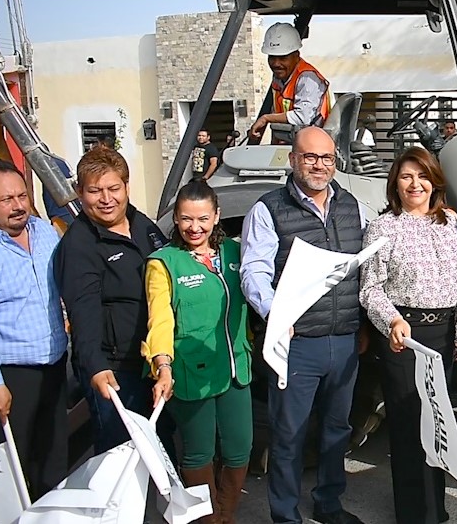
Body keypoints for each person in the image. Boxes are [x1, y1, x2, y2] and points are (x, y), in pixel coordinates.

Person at [241, 125, 365, 524]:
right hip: (297, 345)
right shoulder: (268, 209)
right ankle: (284, 513)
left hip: (344, 339)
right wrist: (277, 314)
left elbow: (366, 267)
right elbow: (254, 271)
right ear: (292, 160)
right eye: (310, 157)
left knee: (336, 430)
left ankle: (329, 504)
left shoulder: (353, 206)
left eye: (327, 158)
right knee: (289, 434)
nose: (319, 165)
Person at [358, 147, 457, 524]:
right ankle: (413, 514)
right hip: (404, 336)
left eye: (422, 176)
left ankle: (433, 509)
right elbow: (370, 289)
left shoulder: (449, 222)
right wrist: (391, 321)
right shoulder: (382, 227)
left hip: (443, 336)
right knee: (409, 425)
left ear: (434, 181)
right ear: (395, 183)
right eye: (406, 176)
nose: (415, 184)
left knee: (437, 421)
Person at [142, 181, 252, 524]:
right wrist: (162, 364)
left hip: (236, 369)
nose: (195, 227)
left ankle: (226, 515)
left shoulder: (236, 253)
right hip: (190, 371)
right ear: (175, 219)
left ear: (217, 216)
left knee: (239, 450)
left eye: (203, 218)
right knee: (198, 454)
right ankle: (206, 520)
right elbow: (159, 319)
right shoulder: (164, 263)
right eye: (187, 219)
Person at [56, 147, 169, 455]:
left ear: (126, 187)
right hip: (116, 372)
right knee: (121, 456)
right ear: (80, 193)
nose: (106, 199)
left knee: (161, 452)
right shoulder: (79, 245)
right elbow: (83, 313)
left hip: (154, 364)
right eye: (95, 191)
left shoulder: (142, 224)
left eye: (113, 188)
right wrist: (95, 367)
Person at [0, 160, 68, 500]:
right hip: (10, 374)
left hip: (54, 367)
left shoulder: (45, 232)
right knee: (9, 477)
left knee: (52, 464)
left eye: (22, 196)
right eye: (7, 200)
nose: (18, 205)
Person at [249, 23, 332, 144]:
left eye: (283, 58)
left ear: (296, 56)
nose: (276, 64)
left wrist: (266, 118)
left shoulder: (308, 79)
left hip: (313, 146)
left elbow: (302, 117)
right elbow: (278, 112)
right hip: (292, 143)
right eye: (272, 57)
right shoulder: (280, 77)